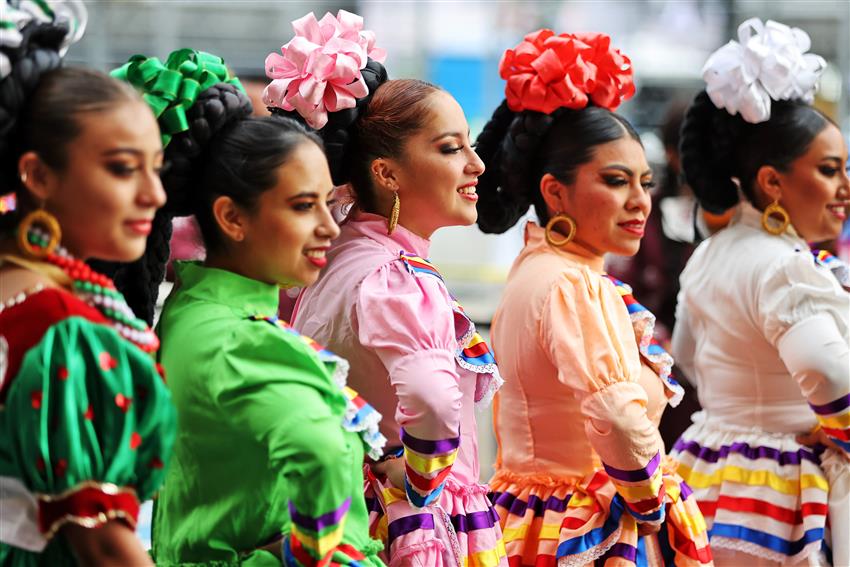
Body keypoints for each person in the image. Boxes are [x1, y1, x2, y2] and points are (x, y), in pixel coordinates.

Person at [110, 48, 387, 566]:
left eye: (328, 204)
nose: (328, 227)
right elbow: (322, 453)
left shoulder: (193, 307)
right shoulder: (237, 338)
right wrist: (307, 554)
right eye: (303, 206)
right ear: (232, 219)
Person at [269, 10, 508, 566]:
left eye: (469, 145)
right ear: (388, 173)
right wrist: (423, 479)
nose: (476, 164)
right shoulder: (397, 276)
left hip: (343, 511)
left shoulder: (335, 253)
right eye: (450, 148)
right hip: (407, 524)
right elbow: (430, 395)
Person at [473, 29, 713, 566]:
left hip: (532, 517)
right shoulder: (572, 284)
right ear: (555, 191)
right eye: (615, 180)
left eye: (645, 183)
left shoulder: (538, 270)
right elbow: (617, 417)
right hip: (586, 530)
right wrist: (654, 503)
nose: (638, 202)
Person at [669, 18, 850, 566]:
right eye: (829, 170)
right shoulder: (785, 267)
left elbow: (685, 359)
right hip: (776, 493)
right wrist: (824, 426)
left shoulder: (711, 253)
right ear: (772, 181)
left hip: (707, 471)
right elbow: (830, 374)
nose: (845, 189)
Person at [0, 2, 175, 564]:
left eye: (157, 168)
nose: (154, 195)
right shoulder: (60, 331)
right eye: (124, 169)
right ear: (38, 176)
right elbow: (104, 545)